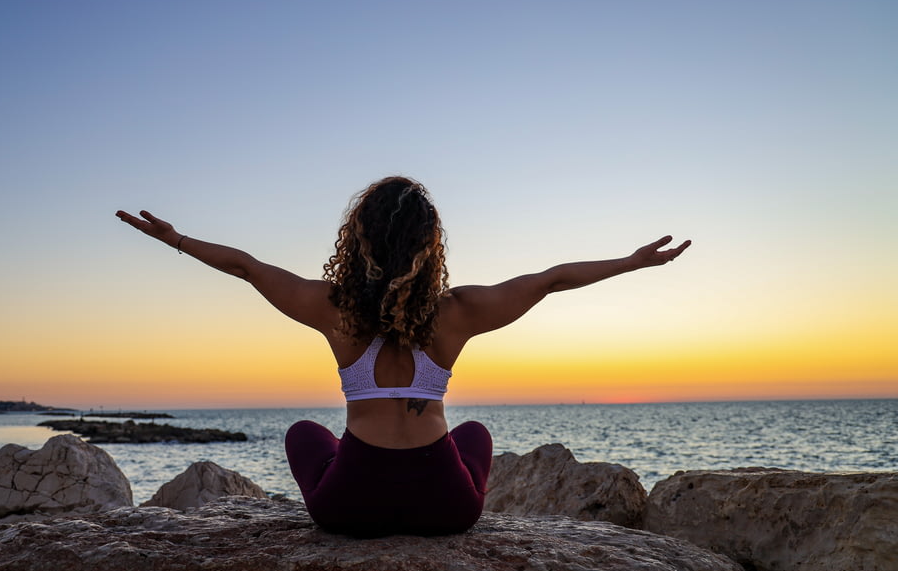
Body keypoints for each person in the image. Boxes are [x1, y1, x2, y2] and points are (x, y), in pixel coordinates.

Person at [116, 176, 690, 536]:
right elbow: (552, 279)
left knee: (303, 434)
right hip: (445, 509)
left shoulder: (333, 308)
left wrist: (177, 240)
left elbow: (247, 266)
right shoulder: (458, 312)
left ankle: (354, 461)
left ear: (356, 239)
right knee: (476, 436)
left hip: (349, 508)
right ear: (430, 245)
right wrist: (631, 262)